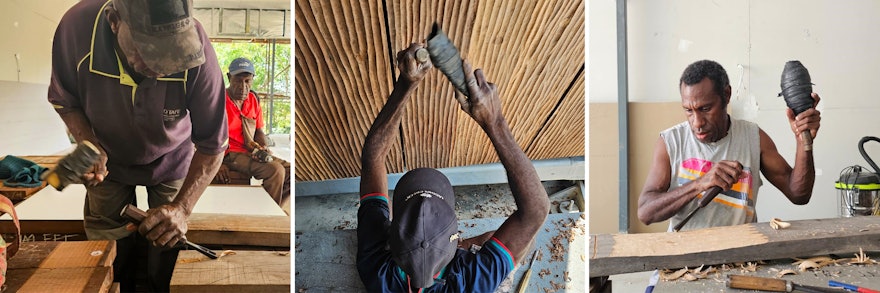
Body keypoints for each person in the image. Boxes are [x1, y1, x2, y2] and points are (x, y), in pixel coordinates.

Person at [48, 0, 227, 291]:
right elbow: (64, 101)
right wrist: (88, 142)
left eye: (171, 54)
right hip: (108, 159)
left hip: (173, 157)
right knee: (106, 248)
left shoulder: (198, 50)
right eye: (148, 52)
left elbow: (213, 143)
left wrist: (182, 208)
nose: (159, 69)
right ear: (114, 20)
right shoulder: (76, 29)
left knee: (167, 240)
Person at [356, 43, 550, 291]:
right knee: (522, 243)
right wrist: (494, 121)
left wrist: (406, 85)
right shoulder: (469, 279)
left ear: (390, 239)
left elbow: (373, 157)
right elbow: (535, 212)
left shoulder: (377, 271)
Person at [637, 60, 821, 292]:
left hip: (743, 263)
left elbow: (799, 194)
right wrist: (700, 183)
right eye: (688, 110)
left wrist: (803, 140)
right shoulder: (671, 142)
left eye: (705, 108)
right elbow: (645, 212)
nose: (697, 122)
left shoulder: (753, 137)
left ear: (726, 95)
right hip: (683, 263)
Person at [216, 57, 291, 206]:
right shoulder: (218, 101)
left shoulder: (253, 99)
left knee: (291, 170)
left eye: (247, 81)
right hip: (228, 154)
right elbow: (206, 134)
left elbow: (258, 130)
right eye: (238, 80)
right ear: (229, 77)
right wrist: (216, 164)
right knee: (276, 171)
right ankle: (268, 216)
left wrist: (263, 147)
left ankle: (268, 206)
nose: (243, 86)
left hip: (251, 151)